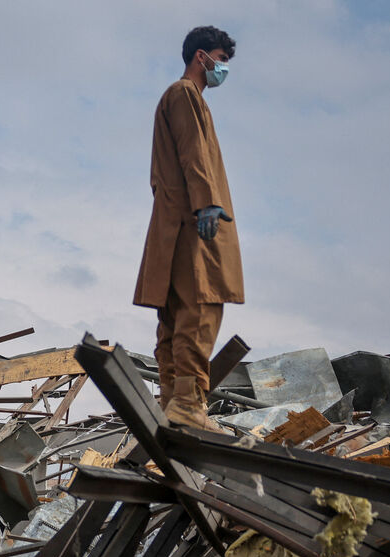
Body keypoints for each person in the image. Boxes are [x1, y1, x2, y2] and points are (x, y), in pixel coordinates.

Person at [133, 26, 242, 432]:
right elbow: (193, 150)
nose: (224, 69)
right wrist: (207, 202)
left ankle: (171, 404)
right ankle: (188, 404)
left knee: (176, 318)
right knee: (201, 308)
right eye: (222, 60)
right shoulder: (184, 95)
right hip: (195, 225)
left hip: (174, 223)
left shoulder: (178, 98)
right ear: (202, 58)